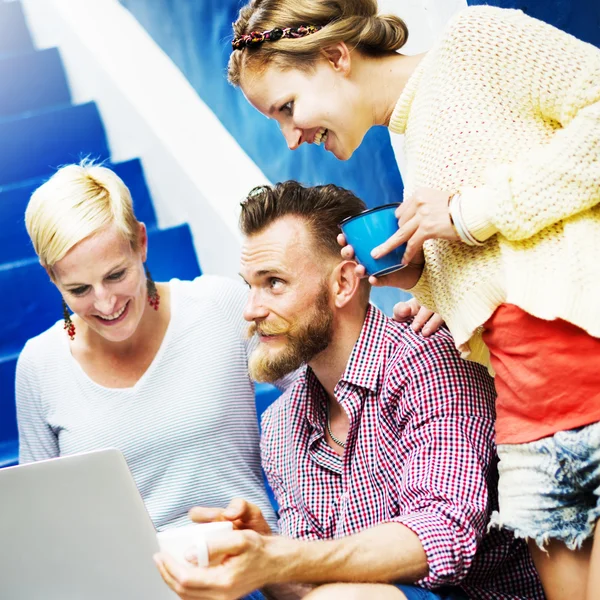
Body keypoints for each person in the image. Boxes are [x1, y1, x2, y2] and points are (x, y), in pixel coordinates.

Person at [227, 3, 600, 597]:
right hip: (530, 419)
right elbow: (510, 268)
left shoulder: (481, 41)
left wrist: (465, 215)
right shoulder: (411, 147)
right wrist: (430, 284)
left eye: (288, 108)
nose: (291, 137)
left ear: (335, 56)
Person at [154, 181, 544, 600]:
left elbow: (441, 533)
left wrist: (284, 556)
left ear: (342, 284)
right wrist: (266, 556)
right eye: (250, 285)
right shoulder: (282, 425)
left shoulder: (428, 362)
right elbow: (310, 589)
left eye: (274, 283)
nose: (250, 311)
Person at [17, 161, 277, 535]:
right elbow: (42, 518)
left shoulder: (220, 306)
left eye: (116, 275)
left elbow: (324, 387)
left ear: (140, 242)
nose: (106, 304)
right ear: (51, 275)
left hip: (244, 566)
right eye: (79, 290)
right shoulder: (38, 366)